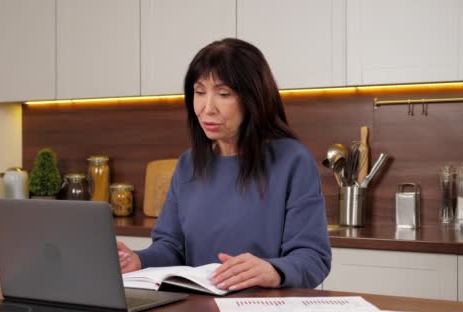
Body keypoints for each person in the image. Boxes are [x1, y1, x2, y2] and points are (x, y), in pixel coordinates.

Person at [117, 38, 331, 290]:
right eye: (199, 92)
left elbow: (313, 258)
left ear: (253, 98)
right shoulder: (188, 165)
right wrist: (139, 259)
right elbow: (171, 247)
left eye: (223, 94)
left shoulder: (292, 161)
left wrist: (274, 270)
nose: (207, 108)